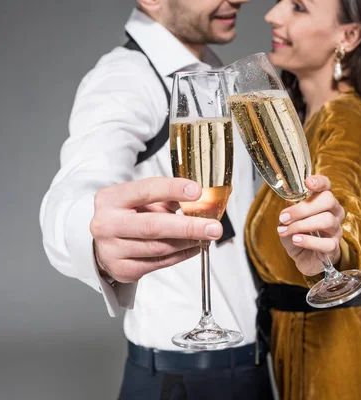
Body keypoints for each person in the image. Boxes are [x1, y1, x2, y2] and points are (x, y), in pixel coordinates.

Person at [40, 1, 274, 399]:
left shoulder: (210, 72)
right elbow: (76, 186)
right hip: (183, 381)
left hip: (248, 368)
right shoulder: (126, 77)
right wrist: (91, 237)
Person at [245, 0, 361, 399]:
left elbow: (342, 197)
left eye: (298, 7)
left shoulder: (347, 121)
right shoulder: (307, 122)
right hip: (308, 362)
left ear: (349, 36)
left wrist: (334, 239)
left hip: (345, 372)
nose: (273, 15)